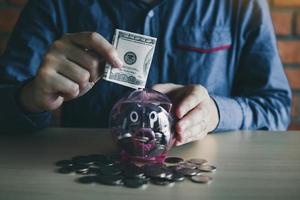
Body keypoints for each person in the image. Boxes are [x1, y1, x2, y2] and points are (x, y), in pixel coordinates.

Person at [0, 0, 291, 145]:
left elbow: (275, 107)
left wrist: (215, 112)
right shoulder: (55, 3)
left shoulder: (241, 3)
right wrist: (29, 98)